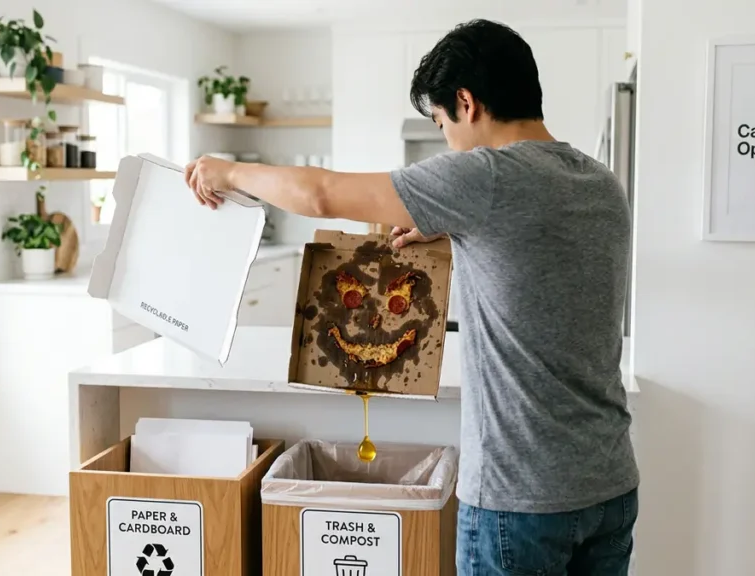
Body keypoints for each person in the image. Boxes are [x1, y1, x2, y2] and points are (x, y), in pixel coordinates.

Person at [184, 18, 638, 576]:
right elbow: (545, 259)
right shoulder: (600, 182)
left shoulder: (486, 177)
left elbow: (321, 194)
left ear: (467, 103)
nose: (446, 138)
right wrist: (457, 228)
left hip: (521, 499)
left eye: (442, 121)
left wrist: (228, 171)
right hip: (611, 486)